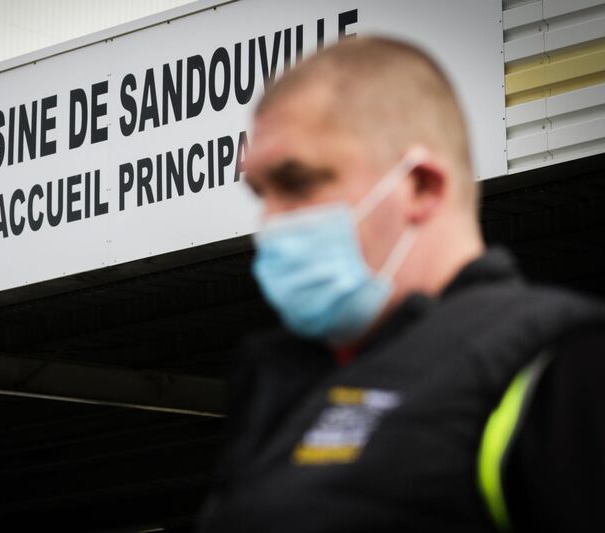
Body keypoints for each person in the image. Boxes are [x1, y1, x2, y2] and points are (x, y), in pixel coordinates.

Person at [196, 36, 605, 532]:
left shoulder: (562, 366)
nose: (269, 222)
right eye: (261, 192)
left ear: (421, 186)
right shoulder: (278, 388)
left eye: (298, 182)